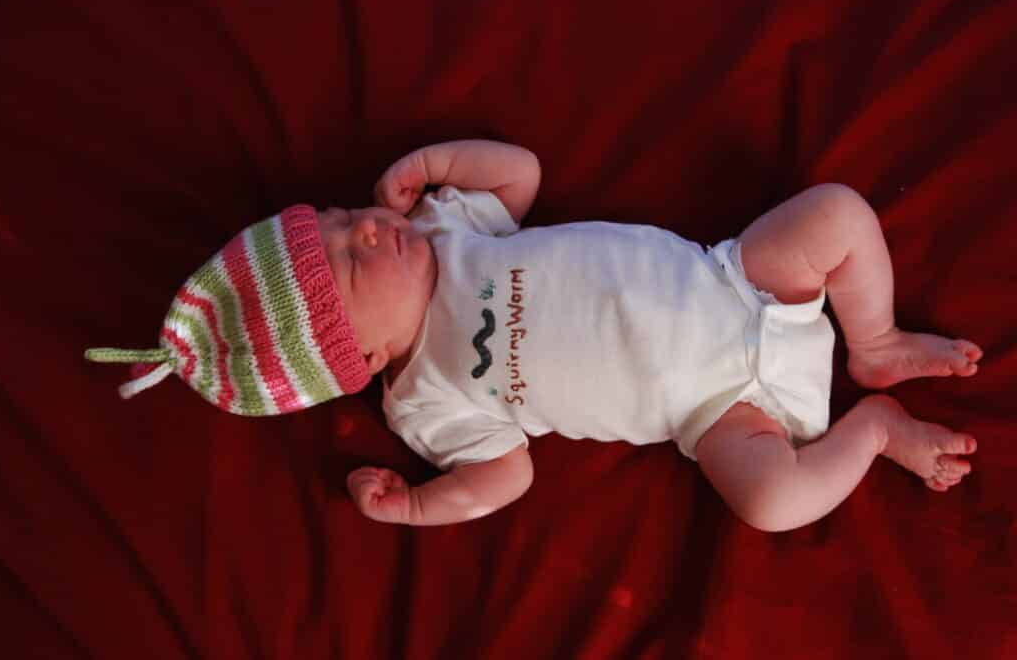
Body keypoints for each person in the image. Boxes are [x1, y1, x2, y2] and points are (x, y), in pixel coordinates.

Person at [85, 139, 983, 532]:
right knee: (769, 503)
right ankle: (872, 432)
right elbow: (504, 475)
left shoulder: (449, 226)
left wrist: (439, 163)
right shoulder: (423, 402)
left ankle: (875, 339)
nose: (365, 226)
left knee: (839, 214)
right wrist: (417, 506)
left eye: (339, 215)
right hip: (715, 411)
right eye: (352, 264)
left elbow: (524, 175)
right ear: (354, 363)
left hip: (736, 280)